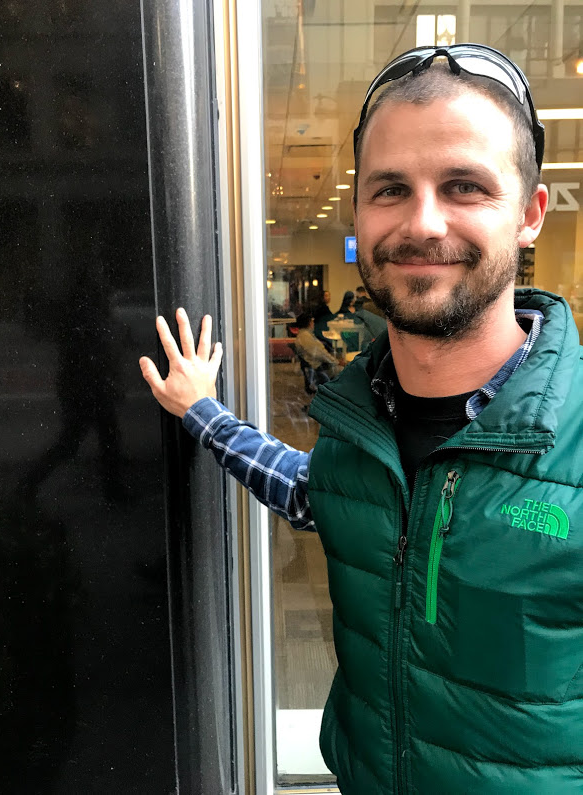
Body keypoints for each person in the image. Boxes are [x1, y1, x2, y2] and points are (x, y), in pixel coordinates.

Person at [140, 44, 583, 794]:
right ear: (359, 215)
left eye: (465, 186)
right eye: (390, 189)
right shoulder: (357, 430)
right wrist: (201, 408)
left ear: (531, 214)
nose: (424, 222)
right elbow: (304, 488)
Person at [293, 311, 342, 385]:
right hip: (319, 369)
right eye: (312, 321)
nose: (314, 323)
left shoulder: (304, 335)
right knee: (345, 370)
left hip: (317, 366)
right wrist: (336, 361)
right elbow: (320, 354)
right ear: (309, 323)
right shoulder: (305, 337)